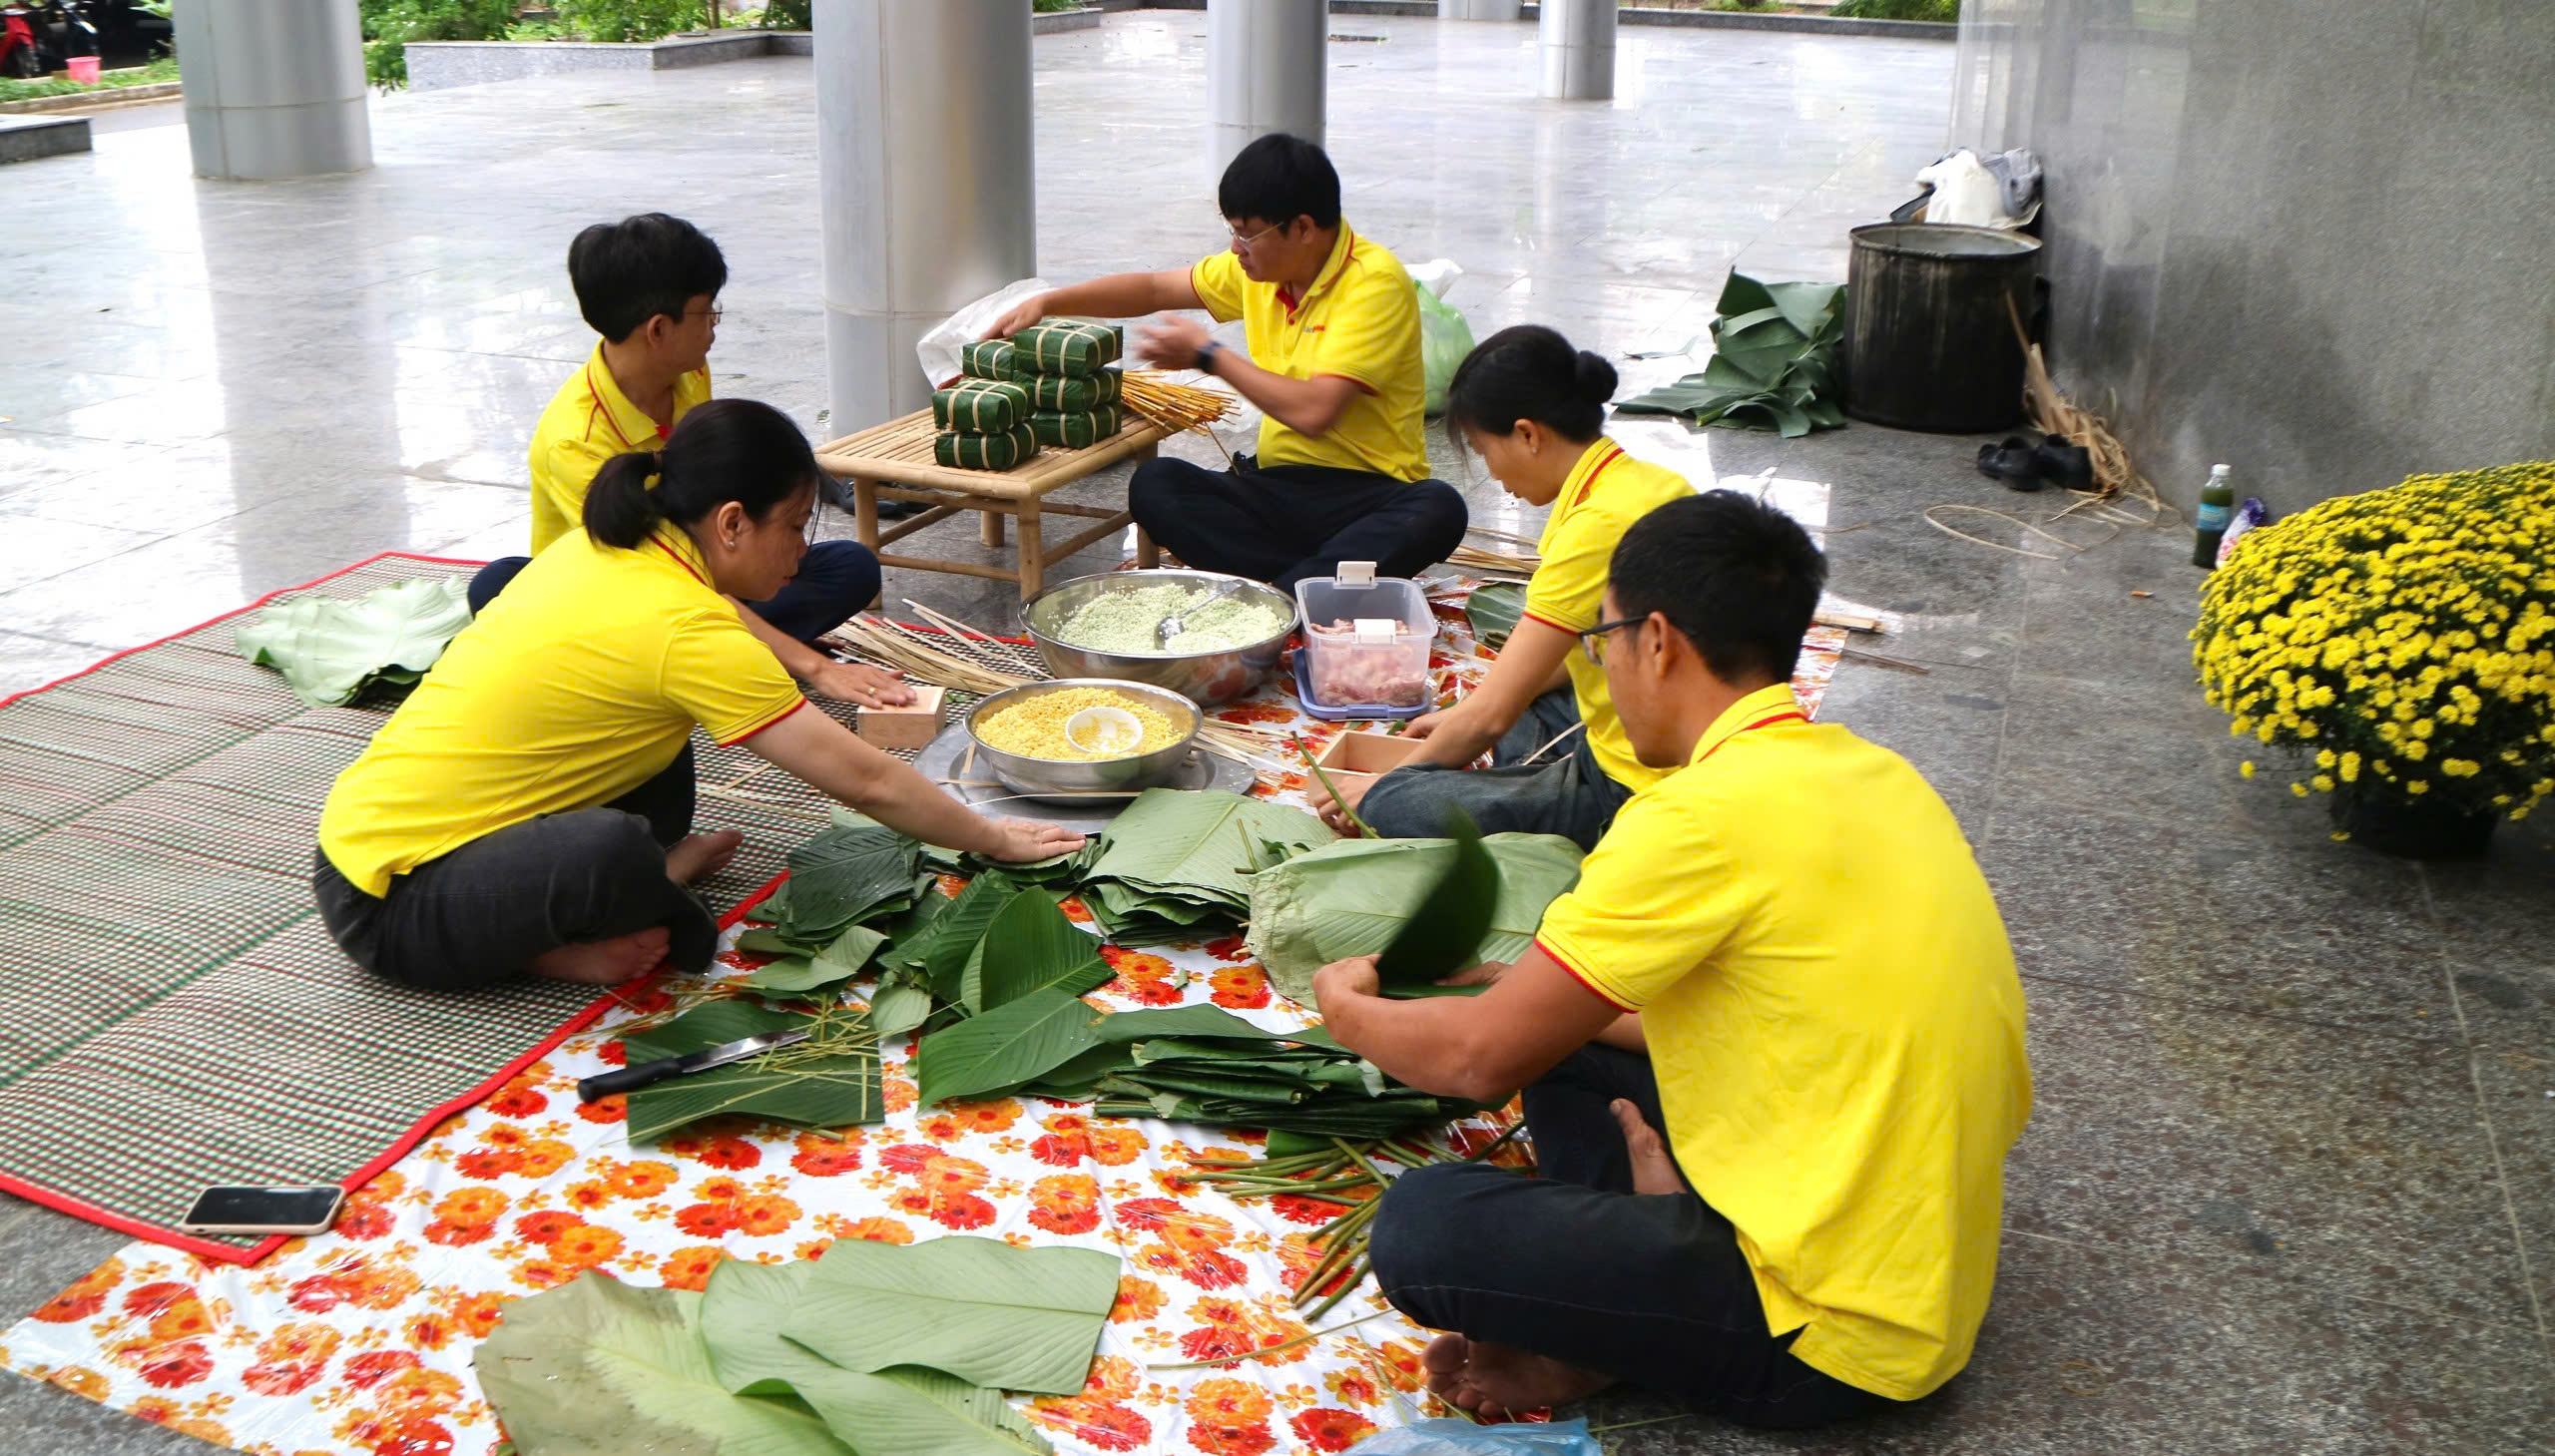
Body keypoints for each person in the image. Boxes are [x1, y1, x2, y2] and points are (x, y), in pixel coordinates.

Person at [1308, 492, 2031, 1430]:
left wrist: (1345, 1006)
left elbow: (1474, 1061)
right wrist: (1510, 989)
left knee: (1425, 1226)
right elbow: (1754, 1010)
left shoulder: (1692, 819)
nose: (1599, 664)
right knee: (1558, 1037)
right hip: (1917, 1268)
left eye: (1601, 637)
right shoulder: (1874, 772)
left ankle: (1606, 1336)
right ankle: (1626, 1283)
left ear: (1656, 640)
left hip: (1833, 1340)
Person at [314, 399, 1083, 991]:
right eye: (791, 527)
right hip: (392, 898)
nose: (802, 552)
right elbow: (868, 778)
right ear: (731, 523)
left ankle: (643, 876)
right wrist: (993, 838)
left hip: (404, 832)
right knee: (610, 852)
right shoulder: (688, 628)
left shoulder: (620, 545)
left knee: (664, 759)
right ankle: (556, 945)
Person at [988, 134, 1466, 591]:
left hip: (1366, 496)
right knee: (1157, 485)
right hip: (1277, 488)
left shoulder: (1373, 284)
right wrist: (1050, 302)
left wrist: (1209, 355)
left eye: (1247, 235)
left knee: (1438, 508)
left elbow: (1315, 413)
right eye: (1232, 232)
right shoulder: (1259, 270)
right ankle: (1313, 585)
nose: (1236, 249)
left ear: (1301, 228)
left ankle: (1284, 593)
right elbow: (1154, 289)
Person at [472, 214, 904, 708]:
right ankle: (733, 648)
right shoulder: (573, 442)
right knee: (500, 586)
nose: (715, 326)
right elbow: (663, 575)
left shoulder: (688, 373)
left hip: (706, 576)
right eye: (706, 312)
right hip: (628, 600)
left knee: (849, 565)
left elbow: (719, 510)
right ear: (658, 329)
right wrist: (816, 667)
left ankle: (729, 645)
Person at [1308, 326, 1692, 850]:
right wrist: (1459, 721)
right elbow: (1553, 663)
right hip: (1647, 720)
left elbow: (1490, 717)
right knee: (1521, 692)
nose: (1490, 471)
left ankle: (1551, 806)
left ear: (1528, 434)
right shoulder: (1644, 481)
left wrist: (1385, 784)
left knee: (1398, 805)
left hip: (1639, 783)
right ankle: (1527, 786)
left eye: (1485, 450)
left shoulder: (1595, 525)